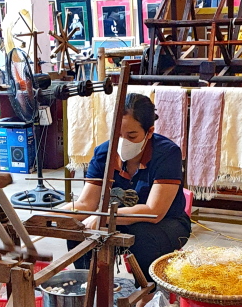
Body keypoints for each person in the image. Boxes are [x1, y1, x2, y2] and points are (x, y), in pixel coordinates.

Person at [67, 93, 191, 281]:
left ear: (149, 132)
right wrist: (49, 217)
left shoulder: (167, 153)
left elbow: (153, 212)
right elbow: (86, 203)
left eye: (131, 135)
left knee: (143, 236)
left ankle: (146, 295)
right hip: (119, 220)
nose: (122, 141)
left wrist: (106, 218)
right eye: (117, 135)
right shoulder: (104, 153)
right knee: (79, 231)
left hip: (167, 222)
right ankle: (91, 288)